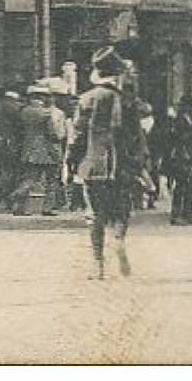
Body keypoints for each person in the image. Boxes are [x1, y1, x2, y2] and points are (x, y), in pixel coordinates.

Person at [68, 46, 148, 280]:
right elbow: (137, 137)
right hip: (123, 165)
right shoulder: (129, 101)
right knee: (121, 209)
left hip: (94, 165)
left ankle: (98, 265)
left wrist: (70, 162)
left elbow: (77, 136)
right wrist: (141, 164)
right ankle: (119, 242)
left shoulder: (87, 99)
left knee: (95, 214)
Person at [15, 85, 68, 216]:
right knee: (52, 180)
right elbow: (52, 133)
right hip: (47, 150)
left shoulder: (24, 112)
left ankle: (20, 204)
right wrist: (60, 138)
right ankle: (47, 208)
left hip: (28, 149)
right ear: (41, 97)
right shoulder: (45, 113)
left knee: (30, 178)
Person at [163, 95, 192, 226]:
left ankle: (188, 214)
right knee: (181, 186)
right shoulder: (178, 120)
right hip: (180, 155)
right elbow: (177, 138)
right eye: (190, 107)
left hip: (191, 155)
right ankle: (176, 216)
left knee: (191, 185)